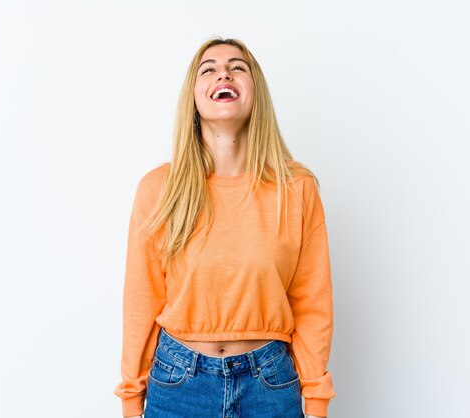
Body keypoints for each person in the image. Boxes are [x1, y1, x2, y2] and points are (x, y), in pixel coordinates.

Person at [113, 37, 335, 418]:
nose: (224, 73)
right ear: (195, 96)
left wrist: (316, 399)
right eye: (209, 68)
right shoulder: (159, 189)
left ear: (254, 92)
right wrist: (131, 398)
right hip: (178, 385)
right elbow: (141, 300)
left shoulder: (296, 188)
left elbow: (312, 302)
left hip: (270, 385)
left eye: (238, 67)